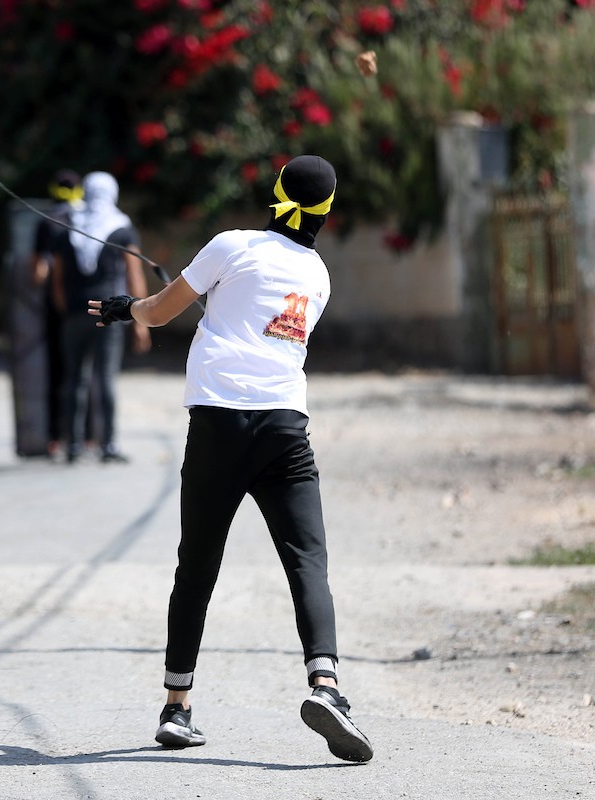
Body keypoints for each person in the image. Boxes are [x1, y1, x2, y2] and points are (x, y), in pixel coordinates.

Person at [89, 155, 374, 762]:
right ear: (326, 211)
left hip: (218, 425)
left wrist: (123, 308)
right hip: (284, 429)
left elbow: (159, 312)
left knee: (196, 567)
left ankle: (176, 707)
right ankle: (326, 685)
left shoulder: (231, 245)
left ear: (276, 192)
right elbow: (271, 329)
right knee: (307, 560)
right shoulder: (318, 275)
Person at [50, 171, 150, 464]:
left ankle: (73, 446)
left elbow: (56, 279)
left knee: (75, 379)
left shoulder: (68, 226)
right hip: (110, 313)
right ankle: (108, 446)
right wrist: (142, 319)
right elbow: (134, 274)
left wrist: (67, 310)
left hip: (75, 312)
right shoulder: (121, 228)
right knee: (105, 379)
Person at [30, 170, 83, 458]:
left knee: (57, 372)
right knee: (87, 373)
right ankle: (89, 438)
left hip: (57, 311)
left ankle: (54, 438)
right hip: (87, 307)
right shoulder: (88, 219)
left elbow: (38, 272)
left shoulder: (46, 222)